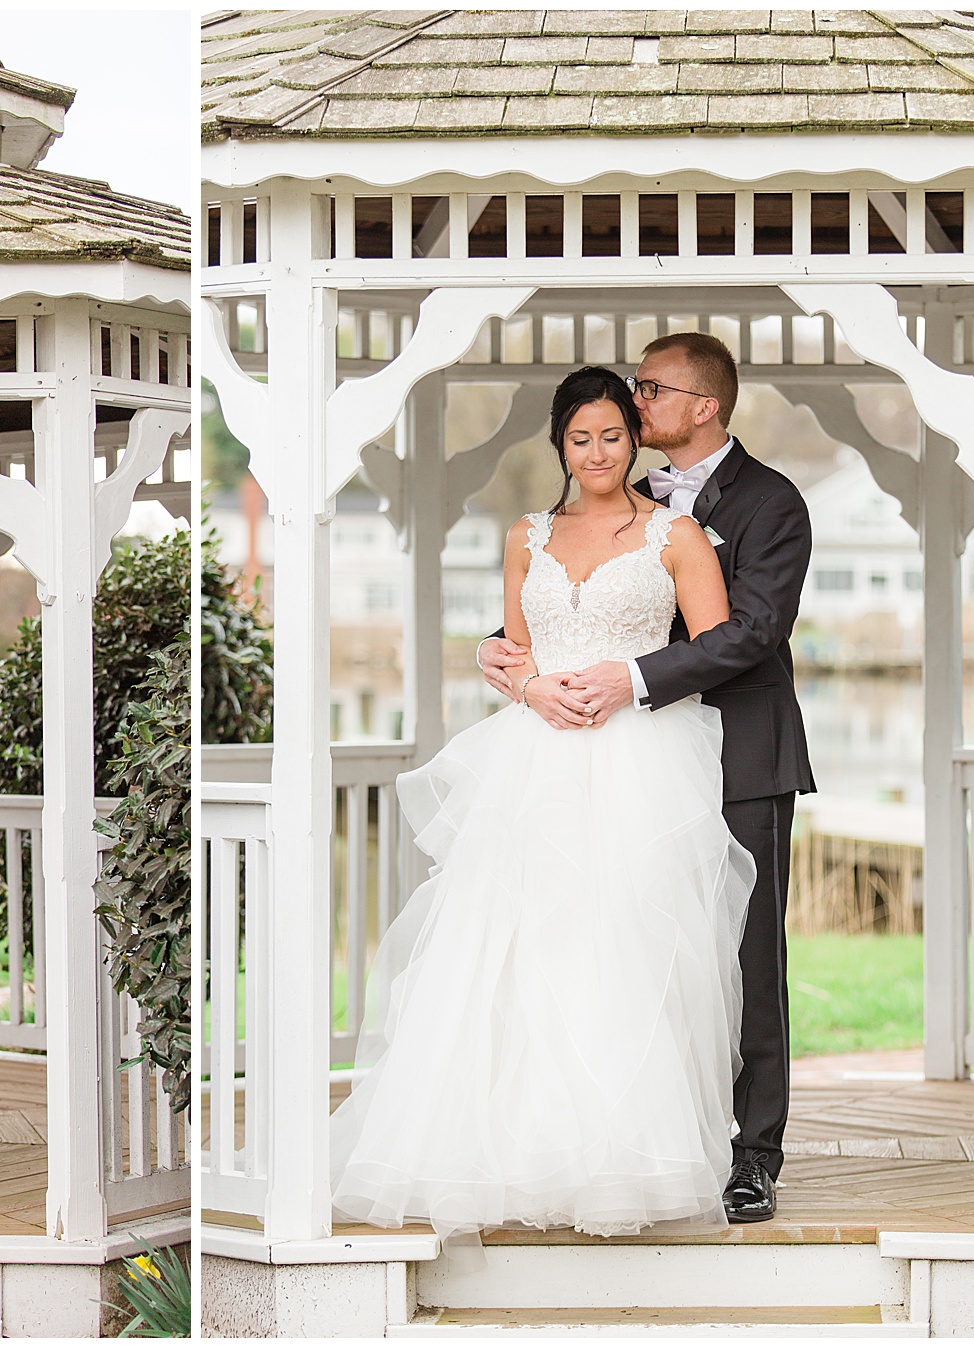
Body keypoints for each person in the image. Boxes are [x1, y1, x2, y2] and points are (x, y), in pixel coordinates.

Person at [331, 366, 755, 1238]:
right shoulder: (527, 536)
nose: (597, 452)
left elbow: (718, 651)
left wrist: (628, 685)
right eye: (580, 438)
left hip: (639, 763)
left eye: (611, 435)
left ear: (632, 440)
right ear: (559, 445)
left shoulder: (676, 536)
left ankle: (620, 1161)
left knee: (624, 950)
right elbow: (512, 649)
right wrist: (528, 691)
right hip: (534, 763)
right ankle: (509, 1154)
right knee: (515, 950)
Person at [480, 333, 816, 1222]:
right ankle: (645, 1132)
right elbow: (550, 614)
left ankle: (753, 1154)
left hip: (736, 754)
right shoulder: (590, 510)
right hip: (610, 758)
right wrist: (505, 659)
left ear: (700, 405)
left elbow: (747, 636)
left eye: (650, 390)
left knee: (743, 958)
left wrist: (628, 680)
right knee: (625, 950)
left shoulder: (771, 504)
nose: (632, 406)